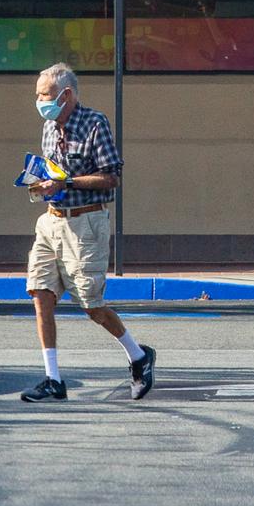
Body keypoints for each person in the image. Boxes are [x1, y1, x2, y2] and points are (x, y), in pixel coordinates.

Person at [20, 62, 155, 402]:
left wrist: (67, 181)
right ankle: (53, 379)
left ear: (66, 95)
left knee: (91, 304)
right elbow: (54, 171)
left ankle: (138, 356)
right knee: (41, 294)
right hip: (51, 220)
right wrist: (44, 185)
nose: (39, 101)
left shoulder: (95, 123)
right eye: (38, 94)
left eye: (45, 95)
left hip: (86, 223)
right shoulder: (50, 127)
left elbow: (111, 177)